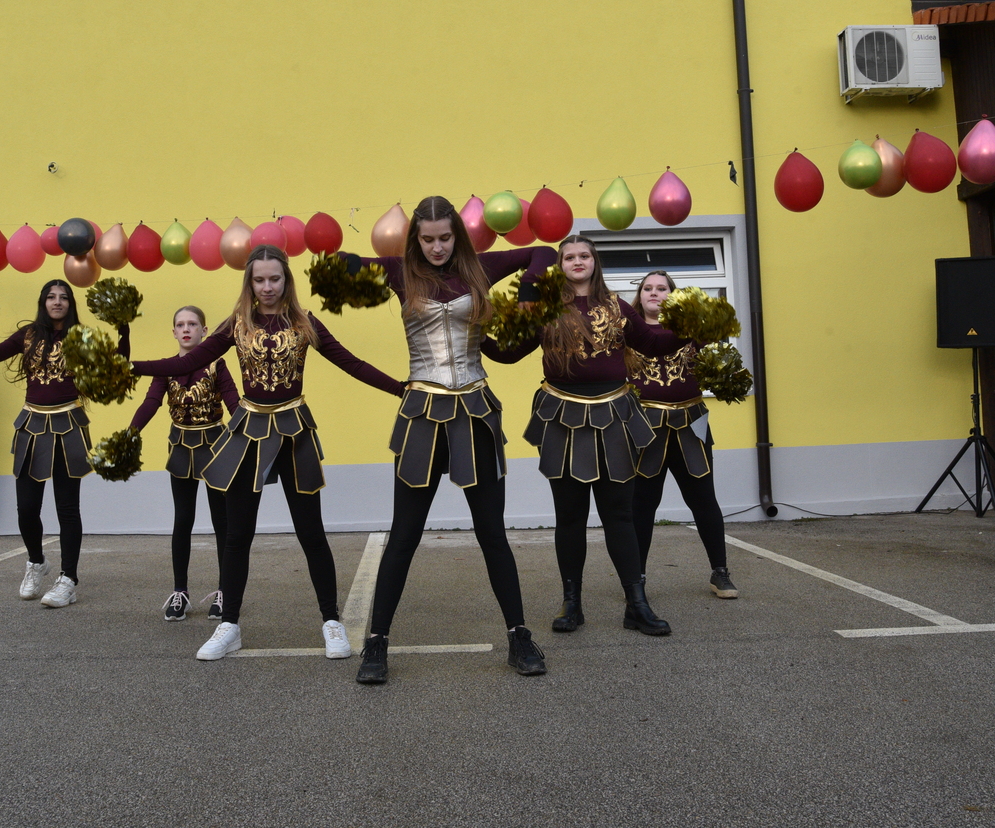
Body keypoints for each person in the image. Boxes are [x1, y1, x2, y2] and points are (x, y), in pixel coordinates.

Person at [132, 245, 402, 661]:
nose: (267, 286)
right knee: (238, 535)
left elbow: (351, 363)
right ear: (250, 282)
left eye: (274, 278)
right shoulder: (235, 324)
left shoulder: (304, 323)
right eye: (259, 279)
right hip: (249, 431)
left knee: (311, 533)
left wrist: (402, 389)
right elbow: (188, 361)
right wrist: (132, 367)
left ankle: (331, 621)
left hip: (295, 431)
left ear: (286, 279)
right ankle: (229, 625)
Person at [336, 196, 554, 684]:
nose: (437, 247)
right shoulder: (400, 272)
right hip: (421, 413)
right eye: (428, 239)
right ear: (416, 239)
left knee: (492, 533)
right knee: (404, 535)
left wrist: (528, 294)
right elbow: (345, 265)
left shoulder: (480, 269)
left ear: (457, 234)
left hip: (475, 410)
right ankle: (377, 643)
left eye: (445, 237)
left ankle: (520, 636)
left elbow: (543, 252)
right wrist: (338, 262)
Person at [486, 235, 681, 637]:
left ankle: (637, 605)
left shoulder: (618, 307)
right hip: (562, 415)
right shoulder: (544, 308)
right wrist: (475, 334)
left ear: (595, 261)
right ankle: (571, 603)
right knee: (570, 515)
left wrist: (696, 327)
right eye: (569, 257)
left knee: (620, 514)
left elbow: (653, 343)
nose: (577, 261)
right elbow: (509, 352)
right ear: (559, 265)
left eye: (584, 255)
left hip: (615, 415)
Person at [0, 280, 129, 608]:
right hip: (32, 424)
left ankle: (69, 579)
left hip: (69, 424)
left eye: (63, 297)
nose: (57, 302)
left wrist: (124, 331)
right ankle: (36, 562)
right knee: (26, 508)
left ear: (70, 303)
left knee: (67, 507)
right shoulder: (27, 336)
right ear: (43, 302)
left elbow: (116, 366)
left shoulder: (82, 336)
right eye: (51, 297)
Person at [128, 305, 239, 620]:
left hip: (215, 446)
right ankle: (180, 592)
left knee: (222, 521)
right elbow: (151, 402)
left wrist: (249, 433)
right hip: (181, 447)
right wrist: (130, 433)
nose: (186, 329)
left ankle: (225, 591)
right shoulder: (166, 368)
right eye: (180, 324)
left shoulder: (217, 365)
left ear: (205, 331)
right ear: (174, 332)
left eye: (193, 324)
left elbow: (233, 401)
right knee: (183, 520)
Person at [630, 272, 737, 598]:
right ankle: (636, 578)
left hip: (692, 422)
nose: (654, 293)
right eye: (648, 288)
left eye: (662, 288)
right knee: (642, 504)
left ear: (673, 295)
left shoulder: (693, 330)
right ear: (640, 295)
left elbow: (720, 363)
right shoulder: (625, 331)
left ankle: (720, 572)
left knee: (703, 499)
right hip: (644, 426)